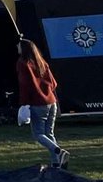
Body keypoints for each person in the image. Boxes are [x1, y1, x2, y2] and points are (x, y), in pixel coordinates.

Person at [16, 38, 67, 168]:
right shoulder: (41, 62)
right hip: (52, 102)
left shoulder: (23, 63)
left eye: (19, 46)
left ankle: (58, 151)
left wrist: (24, 103)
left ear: (24, 49)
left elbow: (25, 85)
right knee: (49, 133)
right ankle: (57, 163)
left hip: (37, 103)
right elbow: (53, 83)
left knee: (38, 134)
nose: (17, 47)